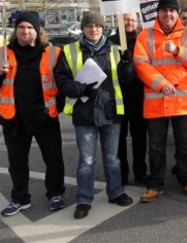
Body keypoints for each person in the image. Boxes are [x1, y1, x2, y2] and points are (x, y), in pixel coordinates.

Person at [0, 11, 66, 217]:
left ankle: (55, 194)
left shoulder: (53, 53)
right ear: (15, 30)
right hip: (14, 118)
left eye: (30, 28)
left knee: (54, 159)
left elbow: (62, 83)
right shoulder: (1, 54)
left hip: (45, 116)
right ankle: (20, 198)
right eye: (21, 27)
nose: (25, 31)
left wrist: (57, 108)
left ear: (38, 31)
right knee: (17, 162)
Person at [55, 11, 134, 219]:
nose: (94, 29)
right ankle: (84, 199)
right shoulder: (69, 50)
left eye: (98, 26)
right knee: (86, 161)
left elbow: (126, 81)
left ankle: (116, 192)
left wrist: (127, 66)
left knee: (112, 159)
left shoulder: (116, 50)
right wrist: (80, 89)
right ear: (83, 28)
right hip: (84, 113)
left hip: (110, 111)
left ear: (103, 28)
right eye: (89, 26)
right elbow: (61, 80)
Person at [133, 0, 187, 201]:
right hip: (156, 98)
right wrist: (160, 83)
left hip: (181, 102)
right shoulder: (145, 35)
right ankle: (155, 184)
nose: (168, 14)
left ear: (177, 13)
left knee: (185, 145)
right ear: (158, 13)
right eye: (164, 10)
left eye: (172, 10)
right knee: (156, 146)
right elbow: (140, 64)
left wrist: (178, 51)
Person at [109, 12, 148, 185]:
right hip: (117, 98)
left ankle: (140, 172)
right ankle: (122, 174)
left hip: (139, 97)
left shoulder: (142, 40)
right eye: (126, 19)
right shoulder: (110, 42)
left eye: (132, 20)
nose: (129, 23)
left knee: (139, 138)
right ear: (119, 20)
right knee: (119, 140)